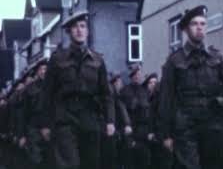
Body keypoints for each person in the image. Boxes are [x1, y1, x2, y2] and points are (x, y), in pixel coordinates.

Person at [158, 5, 223, 169]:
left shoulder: (215, 58)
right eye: (194, 24)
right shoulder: (175, 60)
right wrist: (165, 133)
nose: (199, 28)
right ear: (186, 29)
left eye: (203, 24)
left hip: (212, 124)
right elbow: (166, 98)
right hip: (185, 126)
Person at [38, 10, 115, 169]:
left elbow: (106, 93)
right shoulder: (58, 59)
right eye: (75, 27)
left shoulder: (97, 60)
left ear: (87, 31)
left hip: (90, 119)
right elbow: (47, 93)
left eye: (82, 26)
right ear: (68, 32)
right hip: (65, 119)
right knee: (69, 164)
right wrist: (45, 123)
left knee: (91, 163)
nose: (79, 30)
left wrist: (110, 120)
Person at [119, 65, 153, 169]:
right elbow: (123, 113)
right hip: (132, 131)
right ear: (132, 76)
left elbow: (149, 111)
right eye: (136, 75)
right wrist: (129, 137)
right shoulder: (125, 91)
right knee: (131, 162)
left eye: (139, 74)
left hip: (144, 132)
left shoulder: (144, 90)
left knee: (145, 161)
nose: (138, 77)